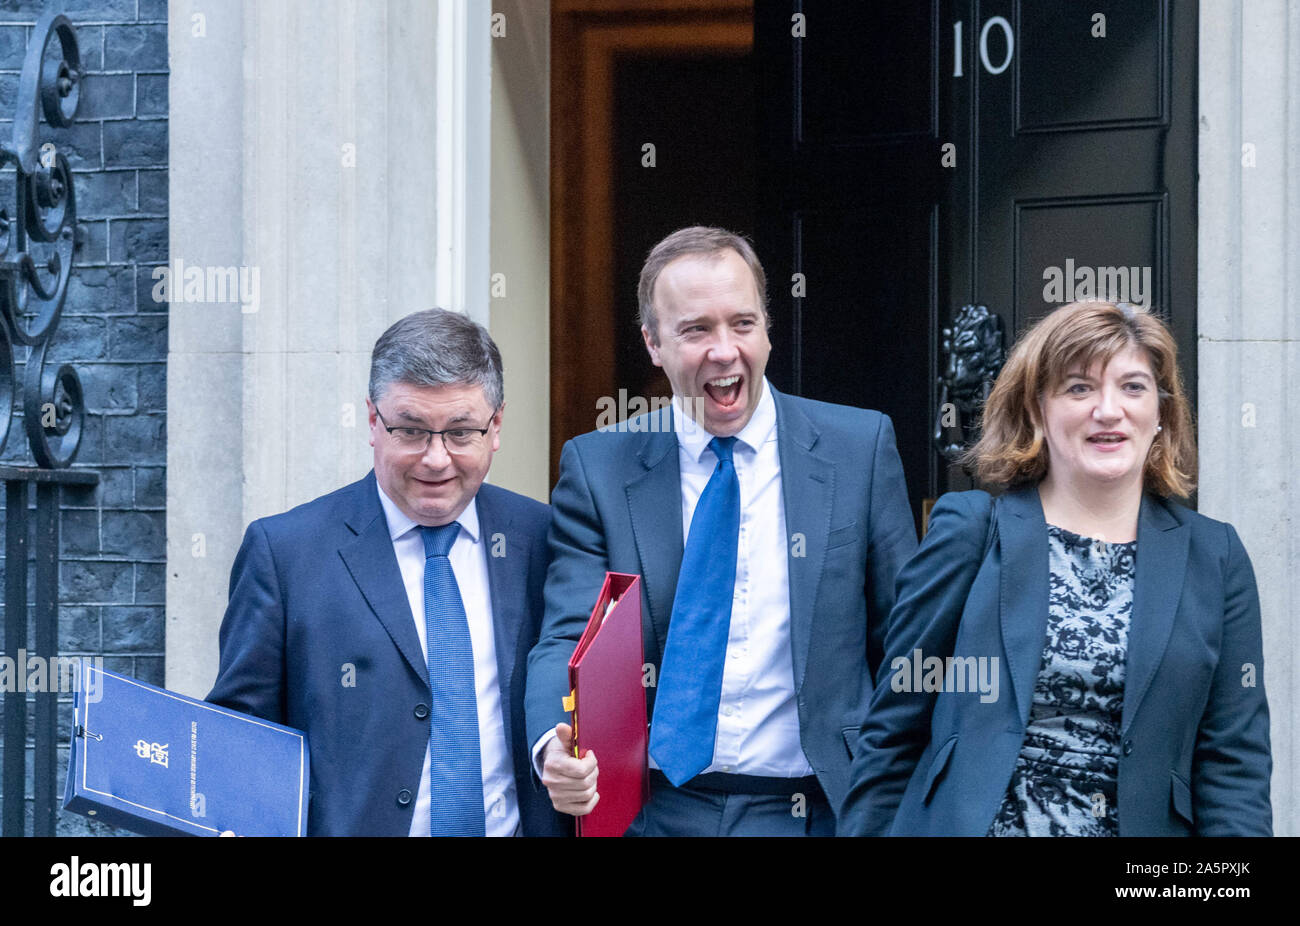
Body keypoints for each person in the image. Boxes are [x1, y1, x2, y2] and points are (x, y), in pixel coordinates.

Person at [526, 226, 918, 836]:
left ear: (767, 328)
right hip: (651, 813)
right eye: (695, 330)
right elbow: (568, 636)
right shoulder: (597, 466)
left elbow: (905, 639)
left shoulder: (859, 449)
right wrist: (553, 748)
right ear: (652, 343)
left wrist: (892, 796)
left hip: (816, 810)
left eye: (742, 323)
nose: (724, 350)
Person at [839, 300, 1272, 836]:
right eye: (1078, 388)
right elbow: (893, 734)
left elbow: (1234, 768)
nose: (1108, 410)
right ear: (1037, 410)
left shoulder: (1216, 557)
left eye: (1133, 387)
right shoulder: (971, 529)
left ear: (1161, 412)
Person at [208, 309, 565, 836]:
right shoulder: (285, 553)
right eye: (412, 430)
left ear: (497, 426)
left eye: (461, 432)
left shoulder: (544, 538)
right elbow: (239, 741)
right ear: (373, 421)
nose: (437, 459)